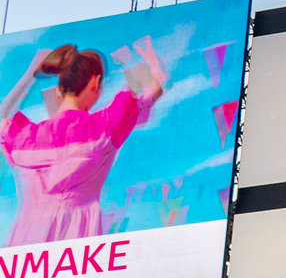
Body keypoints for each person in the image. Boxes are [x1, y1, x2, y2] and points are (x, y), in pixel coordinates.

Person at [0, 40, 168, 247]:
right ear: (96, 82)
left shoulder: (24, 137)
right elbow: (156, 87)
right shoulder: (107, 124)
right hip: (79, 244)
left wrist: (30, 75)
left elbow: (2, 115)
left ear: (58, 91)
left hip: (26, 242)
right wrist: (147, 60)